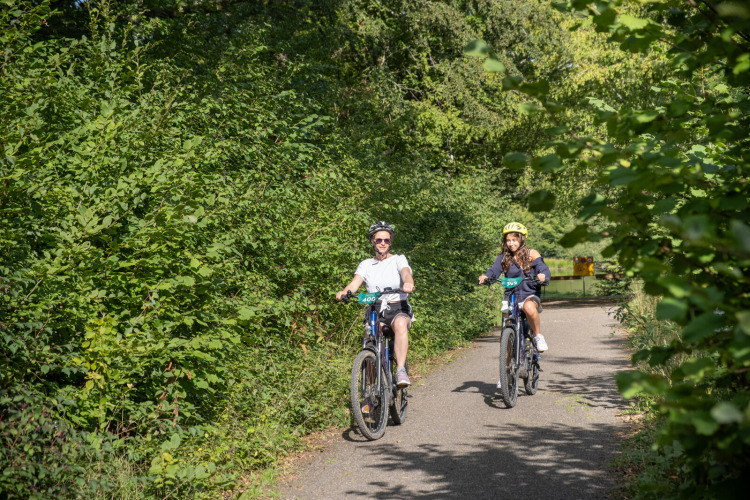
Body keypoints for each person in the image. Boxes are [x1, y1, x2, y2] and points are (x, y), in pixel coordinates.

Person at [336, 221, 415, 388]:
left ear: (390, 242)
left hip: (397, 307)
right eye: (379, 240)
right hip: (375, 309)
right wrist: (345, 292)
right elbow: (355, 283)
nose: (383, 243)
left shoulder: (398, 259)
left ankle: (400, 369)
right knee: (369, 343)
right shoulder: (366, 264)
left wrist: (408, 283)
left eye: (386, 240)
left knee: (400, 324)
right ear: (372, 241)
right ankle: (370, 390)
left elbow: (405, 273)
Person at [478, 222, 551, 354]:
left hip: (530, 293)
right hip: (511, 296)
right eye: (508, 240)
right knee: (506, 322)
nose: (511, 243)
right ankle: (507, 366)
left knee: (529, 307)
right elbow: (494, 270)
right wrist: (486, 276)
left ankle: (538, 336)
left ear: (521, 239)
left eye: (514, 240)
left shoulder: (531, 254)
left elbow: (543, 268)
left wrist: (543, 275)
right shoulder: (503, 257)